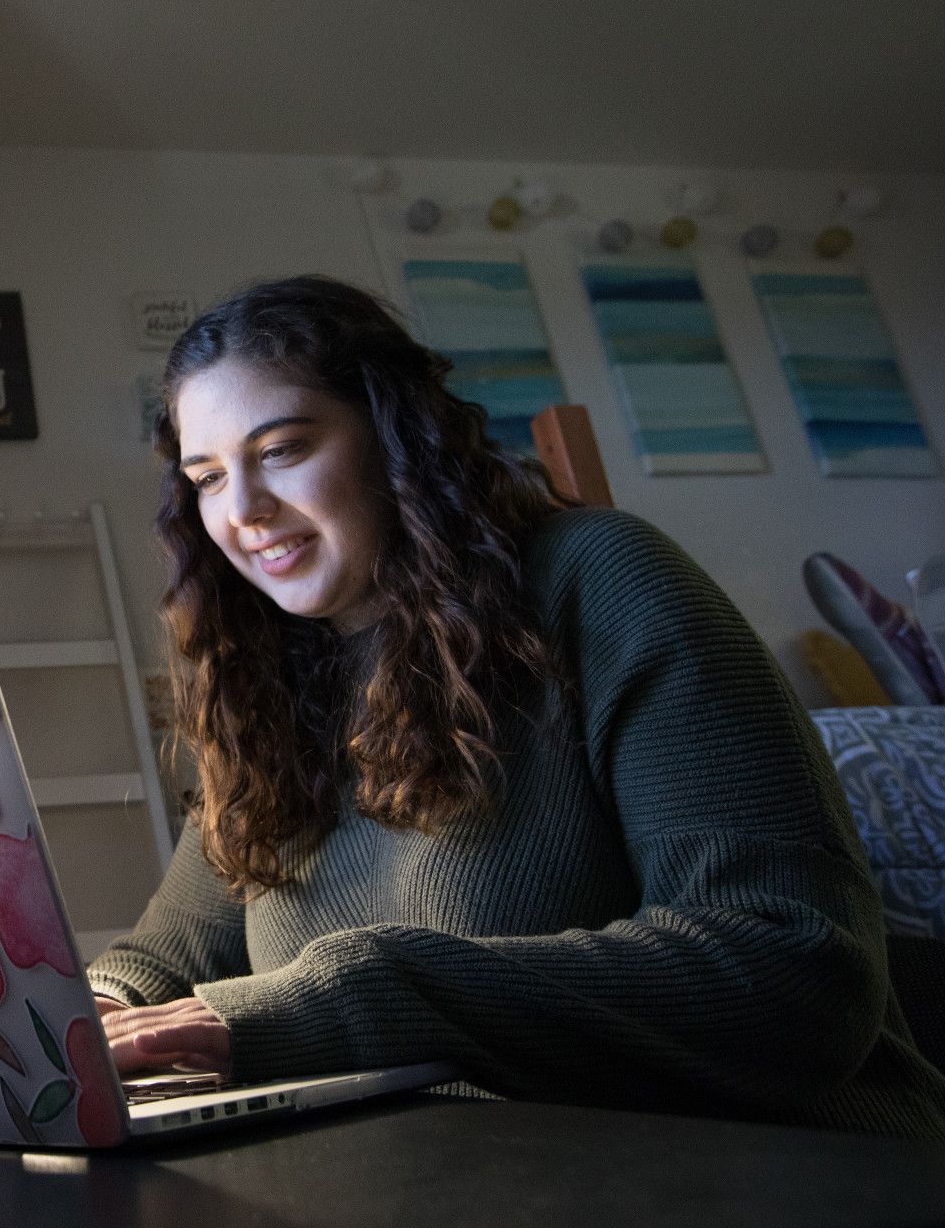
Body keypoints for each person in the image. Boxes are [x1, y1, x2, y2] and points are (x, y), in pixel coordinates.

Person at [86, 275, 945, 1138]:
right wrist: (73, 1013)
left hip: (782, 1173)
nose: (241, 511)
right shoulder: (269, 684)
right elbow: (166, 957)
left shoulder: (600, 578)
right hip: (448, 1182)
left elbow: (797, 972)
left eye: (281, 450)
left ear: (392, 437)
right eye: (205, 477)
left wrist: (363, 994)